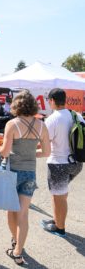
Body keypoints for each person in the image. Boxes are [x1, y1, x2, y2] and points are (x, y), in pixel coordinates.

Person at [0, 90, 50, 266]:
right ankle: (18, 251)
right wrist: (29, 154)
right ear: (33, 105)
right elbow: (46, 152)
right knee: (23, 214)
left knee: (10, 211)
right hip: (30, 172)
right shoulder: (42, 126)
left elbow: (5, 152)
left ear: (16, 105)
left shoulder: (12, 124)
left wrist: (0, 149)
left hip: (11, 171)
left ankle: (15, 240)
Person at [41, 88, 84, 237]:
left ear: (52, 100)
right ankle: (56, 219)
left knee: (58, 197)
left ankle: (60, 227)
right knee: (61, 194)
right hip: (76, 163)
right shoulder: (76, 115)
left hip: (58, 163)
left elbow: (45, 142)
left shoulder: (53, 119)